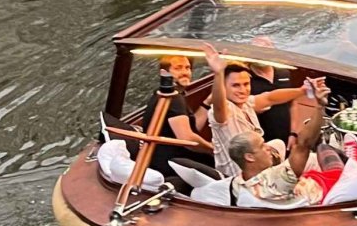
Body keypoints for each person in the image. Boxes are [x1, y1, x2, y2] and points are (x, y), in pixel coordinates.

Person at [200, 43, 328, 177]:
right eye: (236, 86)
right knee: (314, 160)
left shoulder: (247, 103)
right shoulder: (222, 110)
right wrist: (218, 73)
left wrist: (302, 90)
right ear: (224, 87)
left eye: (246, 84)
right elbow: (219, 104)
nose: (243, 90)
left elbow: (270, 97)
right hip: (241, 176)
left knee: (281, 144)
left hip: (259, 164)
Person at [136, 55, 212, 174]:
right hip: (172, 164)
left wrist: (207, 103)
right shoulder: (173, 98)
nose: (185, 72)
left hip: (160, 160)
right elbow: (187, 139)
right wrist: (212, 149)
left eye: (187, 68)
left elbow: (192, 128)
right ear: (164, 73)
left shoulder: (163, 93)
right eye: (178, 68)